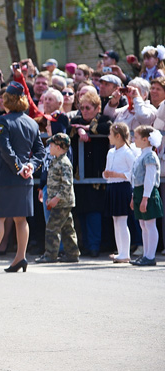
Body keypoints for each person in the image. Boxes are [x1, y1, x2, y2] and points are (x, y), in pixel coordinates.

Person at [0, 81, 45, 274]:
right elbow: (40, 151)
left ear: (8, 101)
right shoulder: (31, 122)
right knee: (21, 220)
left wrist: (19, 167)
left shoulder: (3, 121)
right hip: (25, 177)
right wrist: (30, 166)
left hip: (7, 177)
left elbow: (4, 148)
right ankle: (20, 257)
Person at [69, 91, 112, 257]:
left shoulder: (103, 120)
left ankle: (94, 246)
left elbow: (108, 128)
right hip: (79, 174)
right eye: (82, 108)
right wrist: (80, 130)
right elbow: (69, 129)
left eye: (88, 108)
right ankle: (86, 245)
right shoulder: (76, 120)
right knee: (81, 211)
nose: (84, 111)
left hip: (96, 173)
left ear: (97, 108)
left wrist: (88, 129)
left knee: (94, 211)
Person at [35, 133, 79, 264]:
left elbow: (66, 184)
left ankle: (50, 255)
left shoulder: (64, 163)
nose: (49, 147)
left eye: (52, 145)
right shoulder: (56, 161)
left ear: (59, 147)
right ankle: (72, 254)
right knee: (67, 228)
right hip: (62, 202)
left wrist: (56, 199)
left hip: (62, 202)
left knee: (52, 228)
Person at [103, 122, 136, 264]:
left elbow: (133, 173)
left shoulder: (128, 152)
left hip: (123, 187)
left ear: (118, 136)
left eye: (111, 134)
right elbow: (107, 171)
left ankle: (125, 253)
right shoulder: (111, 152)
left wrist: (118, 174)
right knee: (115, 220)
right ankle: (120, 251)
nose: (108, 136)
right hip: (112, 187)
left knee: (122, 221)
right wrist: (106, 174)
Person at [129, 125, 162, 266]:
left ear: (145, 139)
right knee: (143, 224)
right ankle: (146, 255)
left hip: (147, 192)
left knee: (149, 224)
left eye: (136, 137)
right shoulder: (140, 155)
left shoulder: (150, 156)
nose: (133, 140)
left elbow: (150, 179)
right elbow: (135, 178)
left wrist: (145, 198)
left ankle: (150, 256)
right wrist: (133, 196)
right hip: (139, 192)